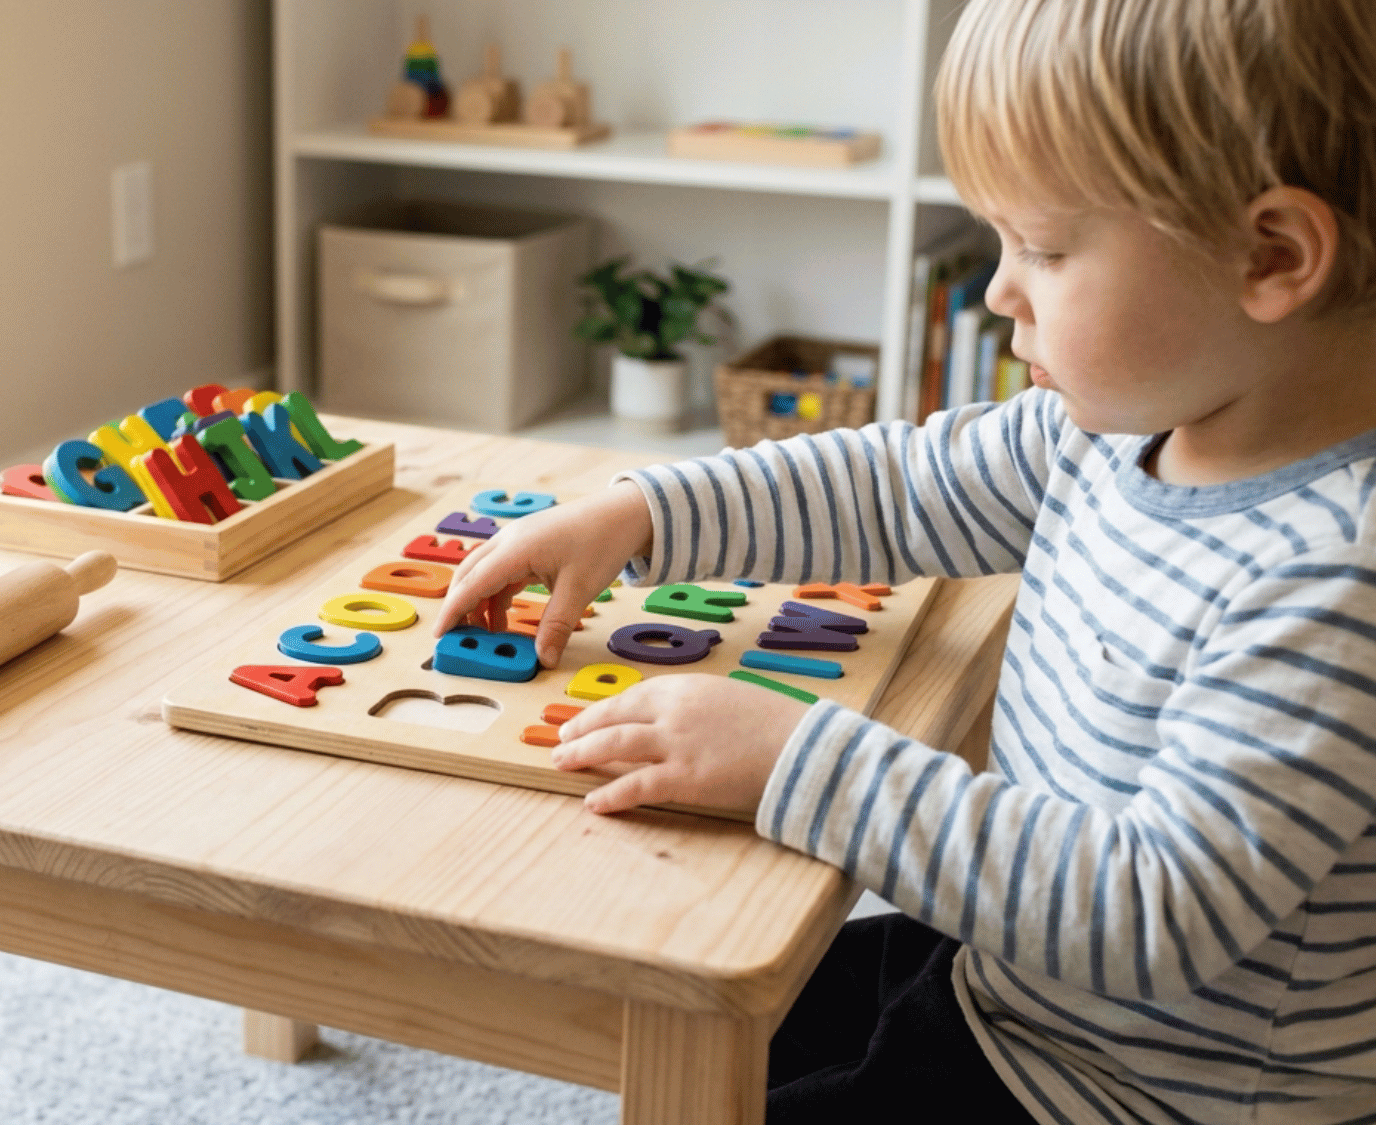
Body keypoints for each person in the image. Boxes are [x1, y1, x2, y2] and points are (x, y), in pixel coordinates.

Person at [434, 0, 1376, 1120]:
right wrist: (644, 510)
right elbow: (898, 484)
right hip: (1017, 982)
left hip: (1135, 1094)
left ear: (1269, 256)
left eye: (1044, 248)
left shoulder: (1331, 574)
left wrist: (792, 759)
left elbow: (1149, 911)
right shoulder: (1118, 427)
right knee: (692, 1011)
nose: (996, 291)